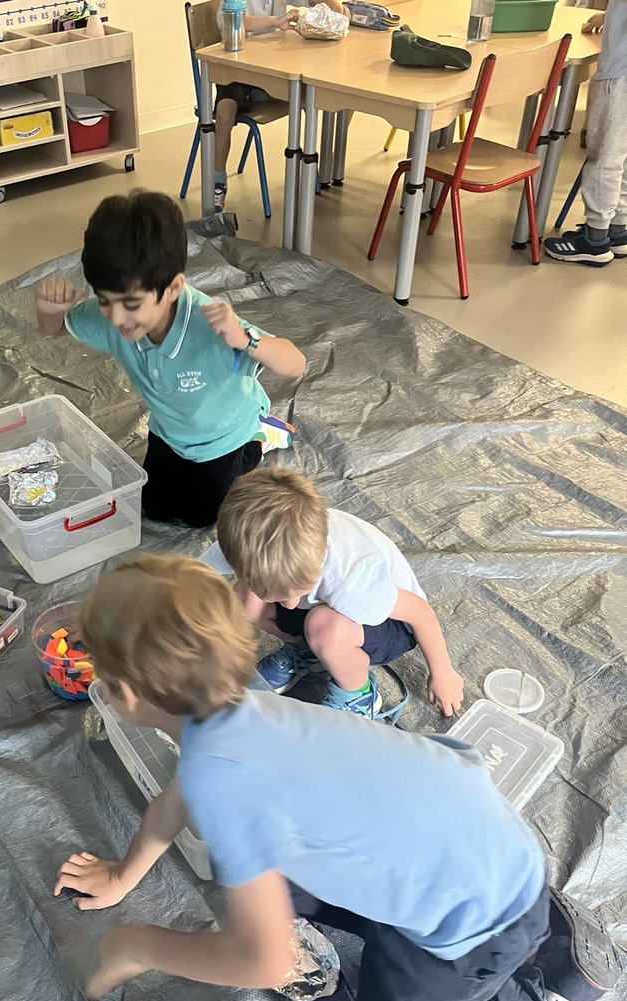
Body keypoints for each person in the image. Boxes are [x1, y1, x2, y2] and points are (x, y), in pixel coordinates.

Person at [53, 555, 619, 1001]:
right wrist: (126, 875)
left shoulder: (224, 780)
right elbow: (175, 799)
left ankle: (546, 995)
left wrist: (140, 944)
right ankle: (528, 915)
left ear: (125, 695)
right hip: (482, 845)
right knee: (262, 882)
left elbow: (265, 962)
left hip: (477, 925)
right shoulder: (242, 709)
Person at [36, 190, 305, 528]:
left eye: (132, 305)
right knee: (155, 508)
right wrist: (49, 310)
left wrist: (247, 340)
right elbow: (56, 328)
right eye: (105, 301)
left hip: (223, 435)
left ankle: (261, 437)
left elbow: (296, 364)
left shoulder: (209, 325)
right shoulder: (114, 316)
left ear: (174, 288)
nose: (118, 319)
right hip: (169, 430)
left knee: (201, 518)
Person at [201, 467, 464, 717]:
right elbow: (197, 574)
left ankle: (359, 694)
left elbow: (420, 613)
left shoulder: (353, 579)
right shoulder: (241, 542)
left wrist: (442, 671)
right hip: (333, 607)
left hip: (393, 623)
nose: (289, 606)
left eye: (293, 592)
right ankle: (309, 652)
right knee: (243, 599)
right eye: (280, 596)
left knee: (323, 627)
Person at [212, 1, 350, 212]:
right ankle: (218, 182)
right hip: (236, 67)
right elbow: (233, 21)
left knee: (310, 98)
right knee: (224, 112)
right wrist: (275, 21)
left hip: (271, 70)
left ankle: (310, 167)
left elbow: (322, 5)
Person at [544, 0, 627, 265]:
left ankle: (595, 238)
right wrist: (608, 15)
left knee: (605, 155)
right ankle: (619, 229)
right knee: (621, 155)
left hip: (620, 70)